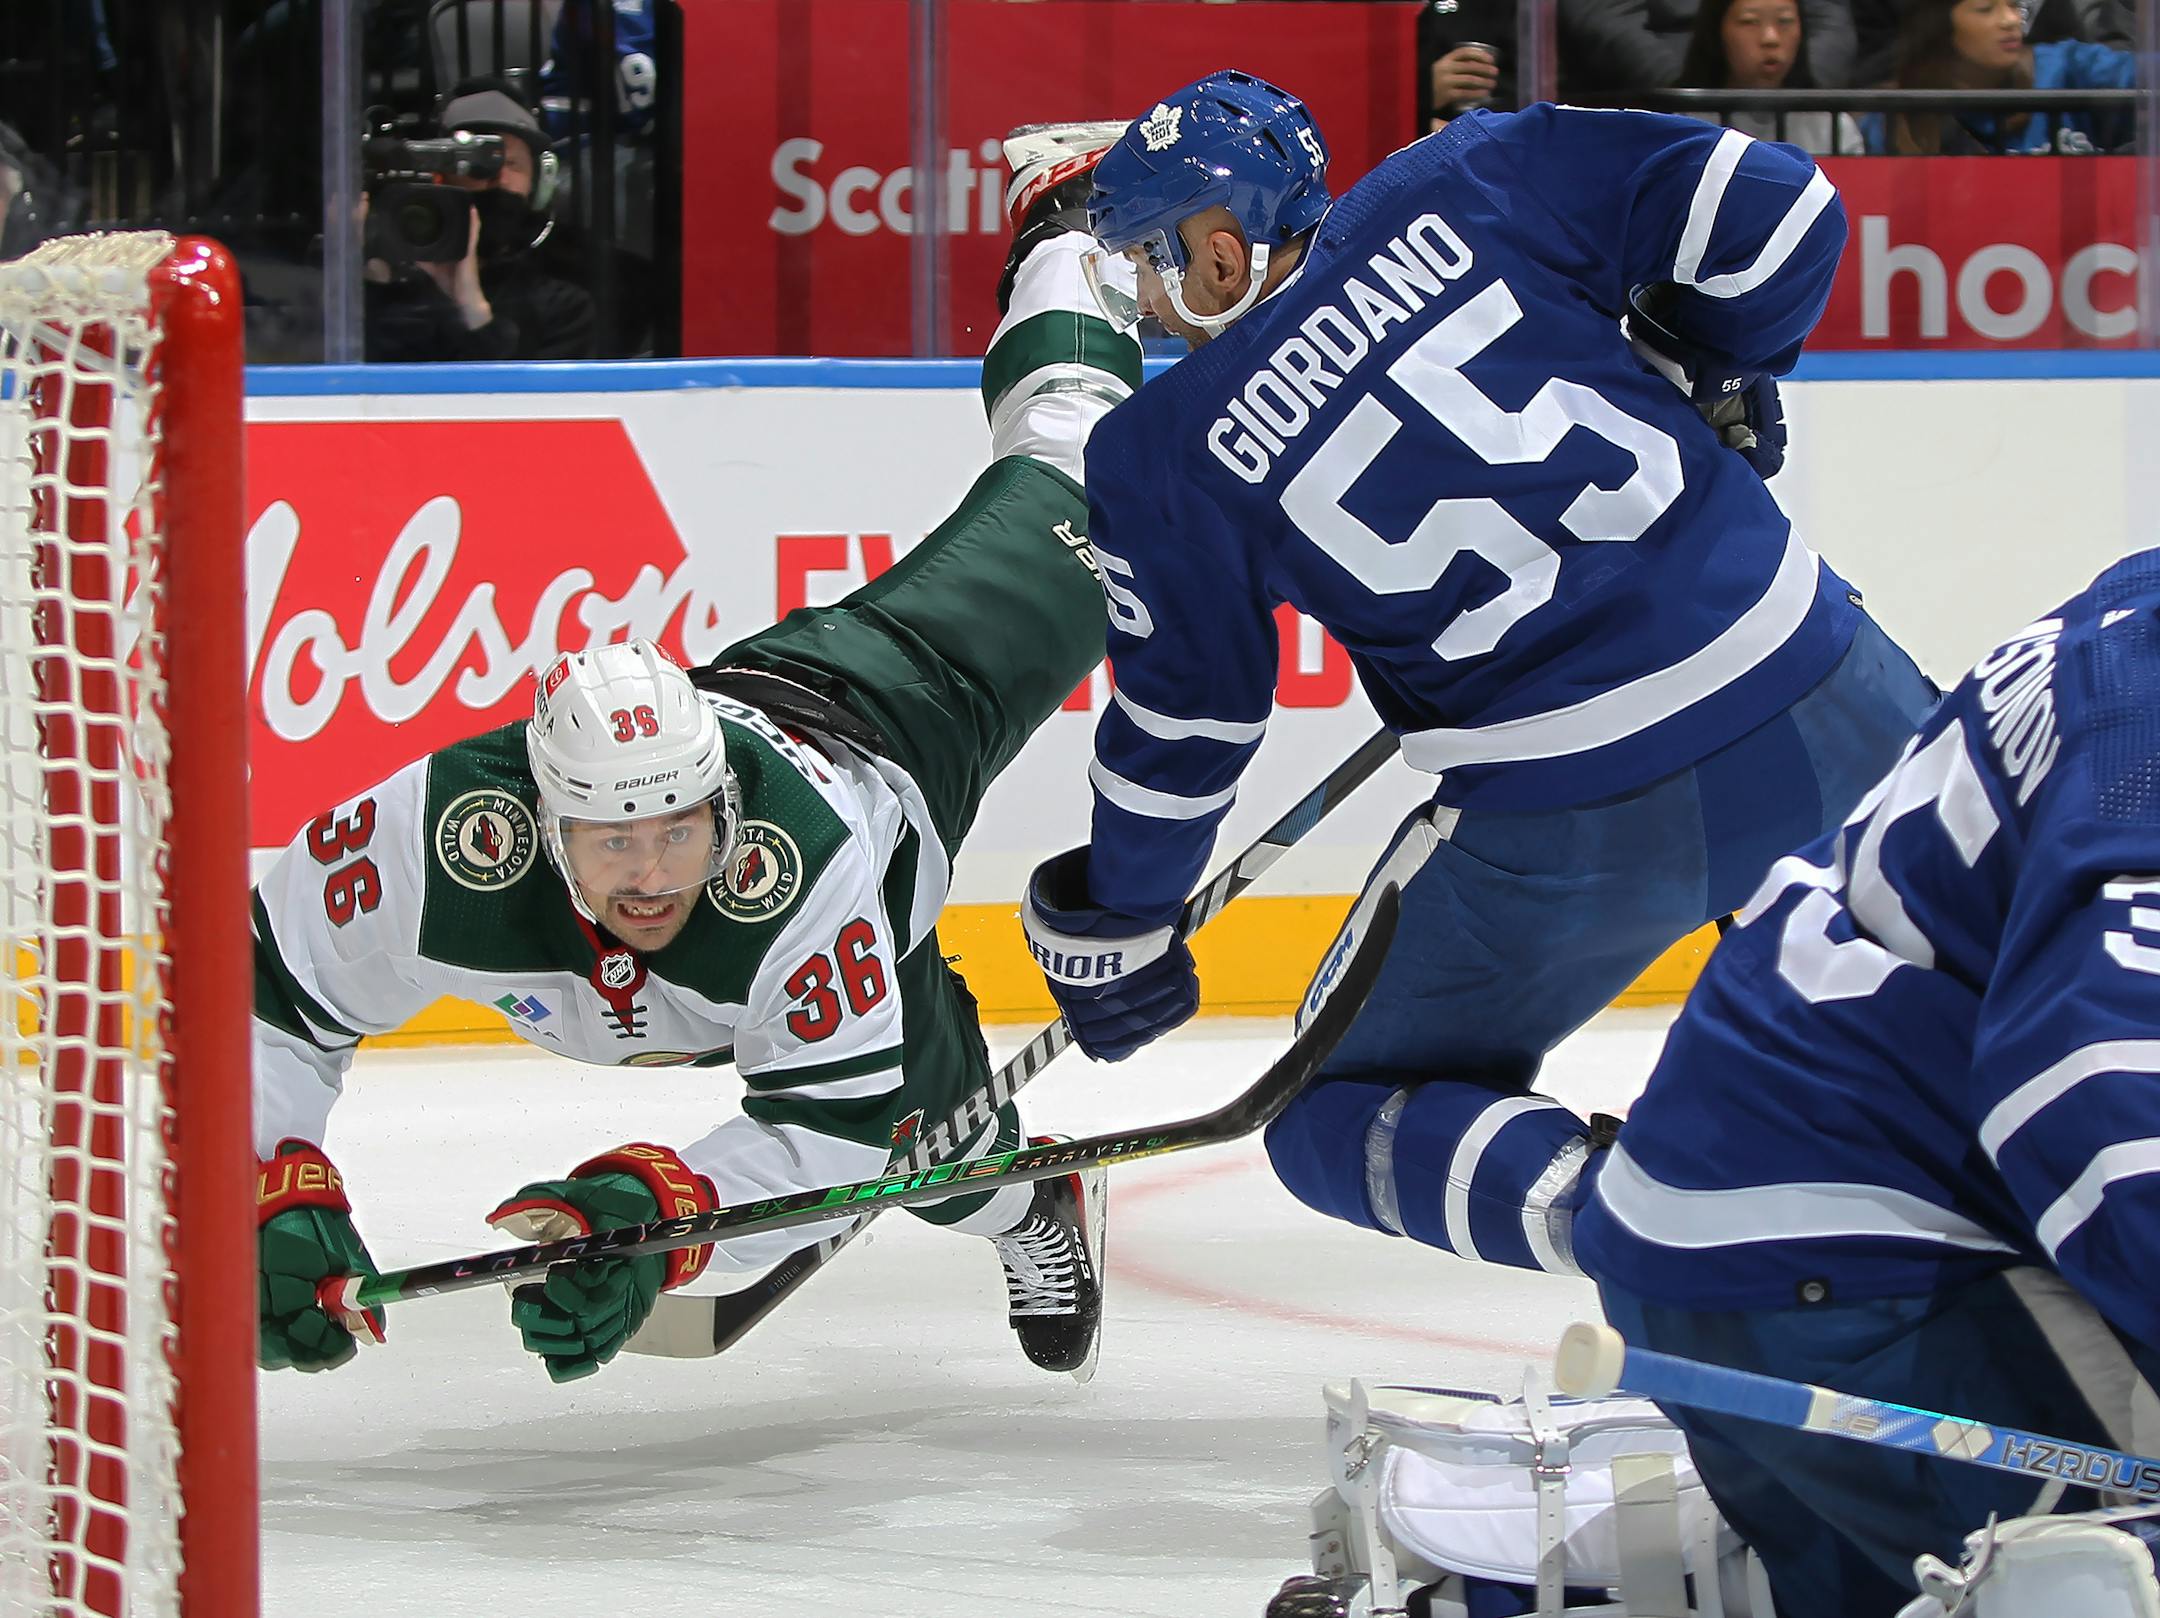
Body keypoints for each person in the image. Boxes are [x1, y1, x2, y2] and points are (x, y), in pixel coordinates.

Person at [256, 122, 1142, 1385]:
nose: (654, 873)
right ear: (543, 826)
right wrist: (271, 1175)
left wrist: (655, 1215)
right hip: (798, 854)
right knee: (931, 1133)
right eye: (614, 841)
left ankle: (1067, 224)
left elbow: (832, 1137)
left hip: (895, 712)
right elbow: (265, 989)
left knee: (1087, 486)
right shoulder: (444, 840)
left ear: (724, 803)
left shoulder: (793, 865)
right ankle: (1023, 1191)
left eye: (682, 829)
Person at [1018, 73, 1937, 1280]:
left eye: (1149, 258)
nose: (1145, 301)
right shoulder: (1467, 173)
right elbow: (1782, 207)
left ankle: (1654, 1230)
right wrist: (1713, 363)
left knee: (1334, 1113)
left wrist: (1123, 922)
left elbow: (1186, 732)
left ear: (1222, 250)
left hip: (1569, 829)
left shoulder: (1158, 451)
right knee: (1993, 957)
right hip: (1831, 697)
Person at [1568, 550, 2160, 1618]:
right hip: (1862, 1277)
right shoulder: (2144, 745)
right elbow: (2096, 1098)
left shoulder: (2136, 612)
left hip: (1737, 1223)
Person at [363, 87, 598, 361]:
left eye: (512, 163)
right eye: (480, 164)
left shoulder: (564, 309)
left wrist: (473, 309)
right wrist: (375, 279)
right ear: (440, 178)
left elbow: (513, 389)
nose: (499, 178)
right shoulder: (392, 291)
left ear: (539, 186)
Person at [1866, 0, 2135, 154]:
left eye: (2013, 5)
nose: (2010, 20)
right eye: (1986, 9)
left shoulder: (2069, 65)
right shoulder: (1893, 120)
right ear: (1940, 23)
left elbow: (2142, 76)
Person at [1557, 0, 1853, 100]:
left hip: (1793, 97)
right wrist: (1691, 95)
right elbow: (1607, 21)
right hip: (1660, 98)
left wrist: (1800, 91)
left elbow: (1828, 18)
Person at [1676, 0, 1865, 155]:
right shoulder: (1684, 127)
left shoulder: (1833, 127)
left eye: (1785, 21)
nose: (1771, 38)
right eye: (1749, 22)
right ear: (1716, 30)